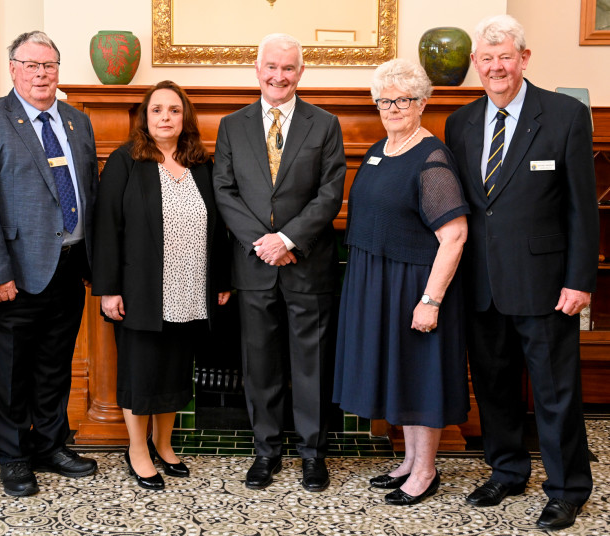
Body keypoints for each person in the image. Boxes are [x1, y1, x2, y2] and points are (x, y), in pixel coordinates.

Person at [445, 15, 598, 530]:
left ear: (524, 59)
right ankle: (507, 470)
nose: (495, 67)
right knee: (494, 386)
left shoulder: (565, 116)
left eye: (504, 57)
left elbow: (582, 208)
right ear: (475, 66)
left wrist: (580, 281)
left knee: (556, 393)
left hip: (546, 285)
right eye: (486, 60)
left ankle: (567, 488)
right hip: (481, 285)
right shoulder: (460, 121)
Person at [0, 31, 98, 497]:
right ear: (13, 68)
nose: (42, 73)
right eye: (31, 64)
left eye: (50, 65)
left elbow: (88, 195)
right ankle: (14, 456)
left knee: (54, 366)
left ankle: (50, 445)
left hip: (69, 267)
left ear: (59, 69)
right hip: (12, 275)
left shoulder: (78, 121)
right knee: (9, 371)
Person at [213, 33, 347, 492]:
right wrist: (263, 243)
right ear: (257, 69)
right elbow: (224, 191)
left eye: (288, 68)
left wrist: (288, 239)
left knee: (310, 365)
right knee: (260, 365)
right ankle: (266, 452)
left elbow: (330, 194)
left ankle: (313, 455)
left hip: (307, 264)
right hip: (253, 267)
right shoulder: (232, 125)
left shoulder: (325, 124)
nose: (279, 76)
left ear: (301, 73)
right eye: (272, 66)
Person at [332, 59, 470, 506]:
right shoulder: (381, 148)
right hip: (379, 278)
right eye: (385, 100)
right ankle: (410, 459)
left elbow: (454, 235)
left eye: (403, 100)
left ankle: (426, 469)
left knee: (420, 377)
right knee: (402, 376)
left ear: (422, 103)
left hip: (414, 284)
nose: (392, 107)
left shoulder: (431, 157)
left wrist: (430, 299)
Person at [92, 81, 231, 490]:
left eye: (173, 110)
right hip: (141, 291)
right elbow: (107, 229)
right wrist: (109, 288)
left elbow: (219, 228)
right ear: (145, 117)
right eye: (157, 110)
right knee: (141, 372)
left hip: (189, 289)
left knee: (172, 372)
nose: (165, 118)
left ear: (184, 116)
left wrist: (221, 280)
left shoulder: (200, 164)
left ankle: (163, 444)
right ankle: (137, 450)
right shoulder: (125, 161)